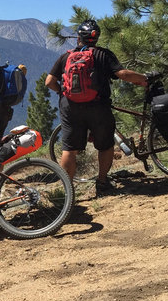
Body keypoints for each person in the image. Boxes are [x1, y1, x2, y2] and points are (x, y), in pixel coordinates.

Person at [45, 19, 147, 194]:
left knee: (69, 149)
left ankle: (67, 194)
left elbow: (49, 82)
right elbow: (122, 74)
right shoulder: (103, 54)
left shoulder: (66, 57)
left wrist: (62, 93)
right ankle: (101, 182)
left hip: (70, 108)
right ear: (96, 38)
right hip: (98, 107)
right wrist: (143, 78)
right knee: (105, 146)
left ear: (79, 38)